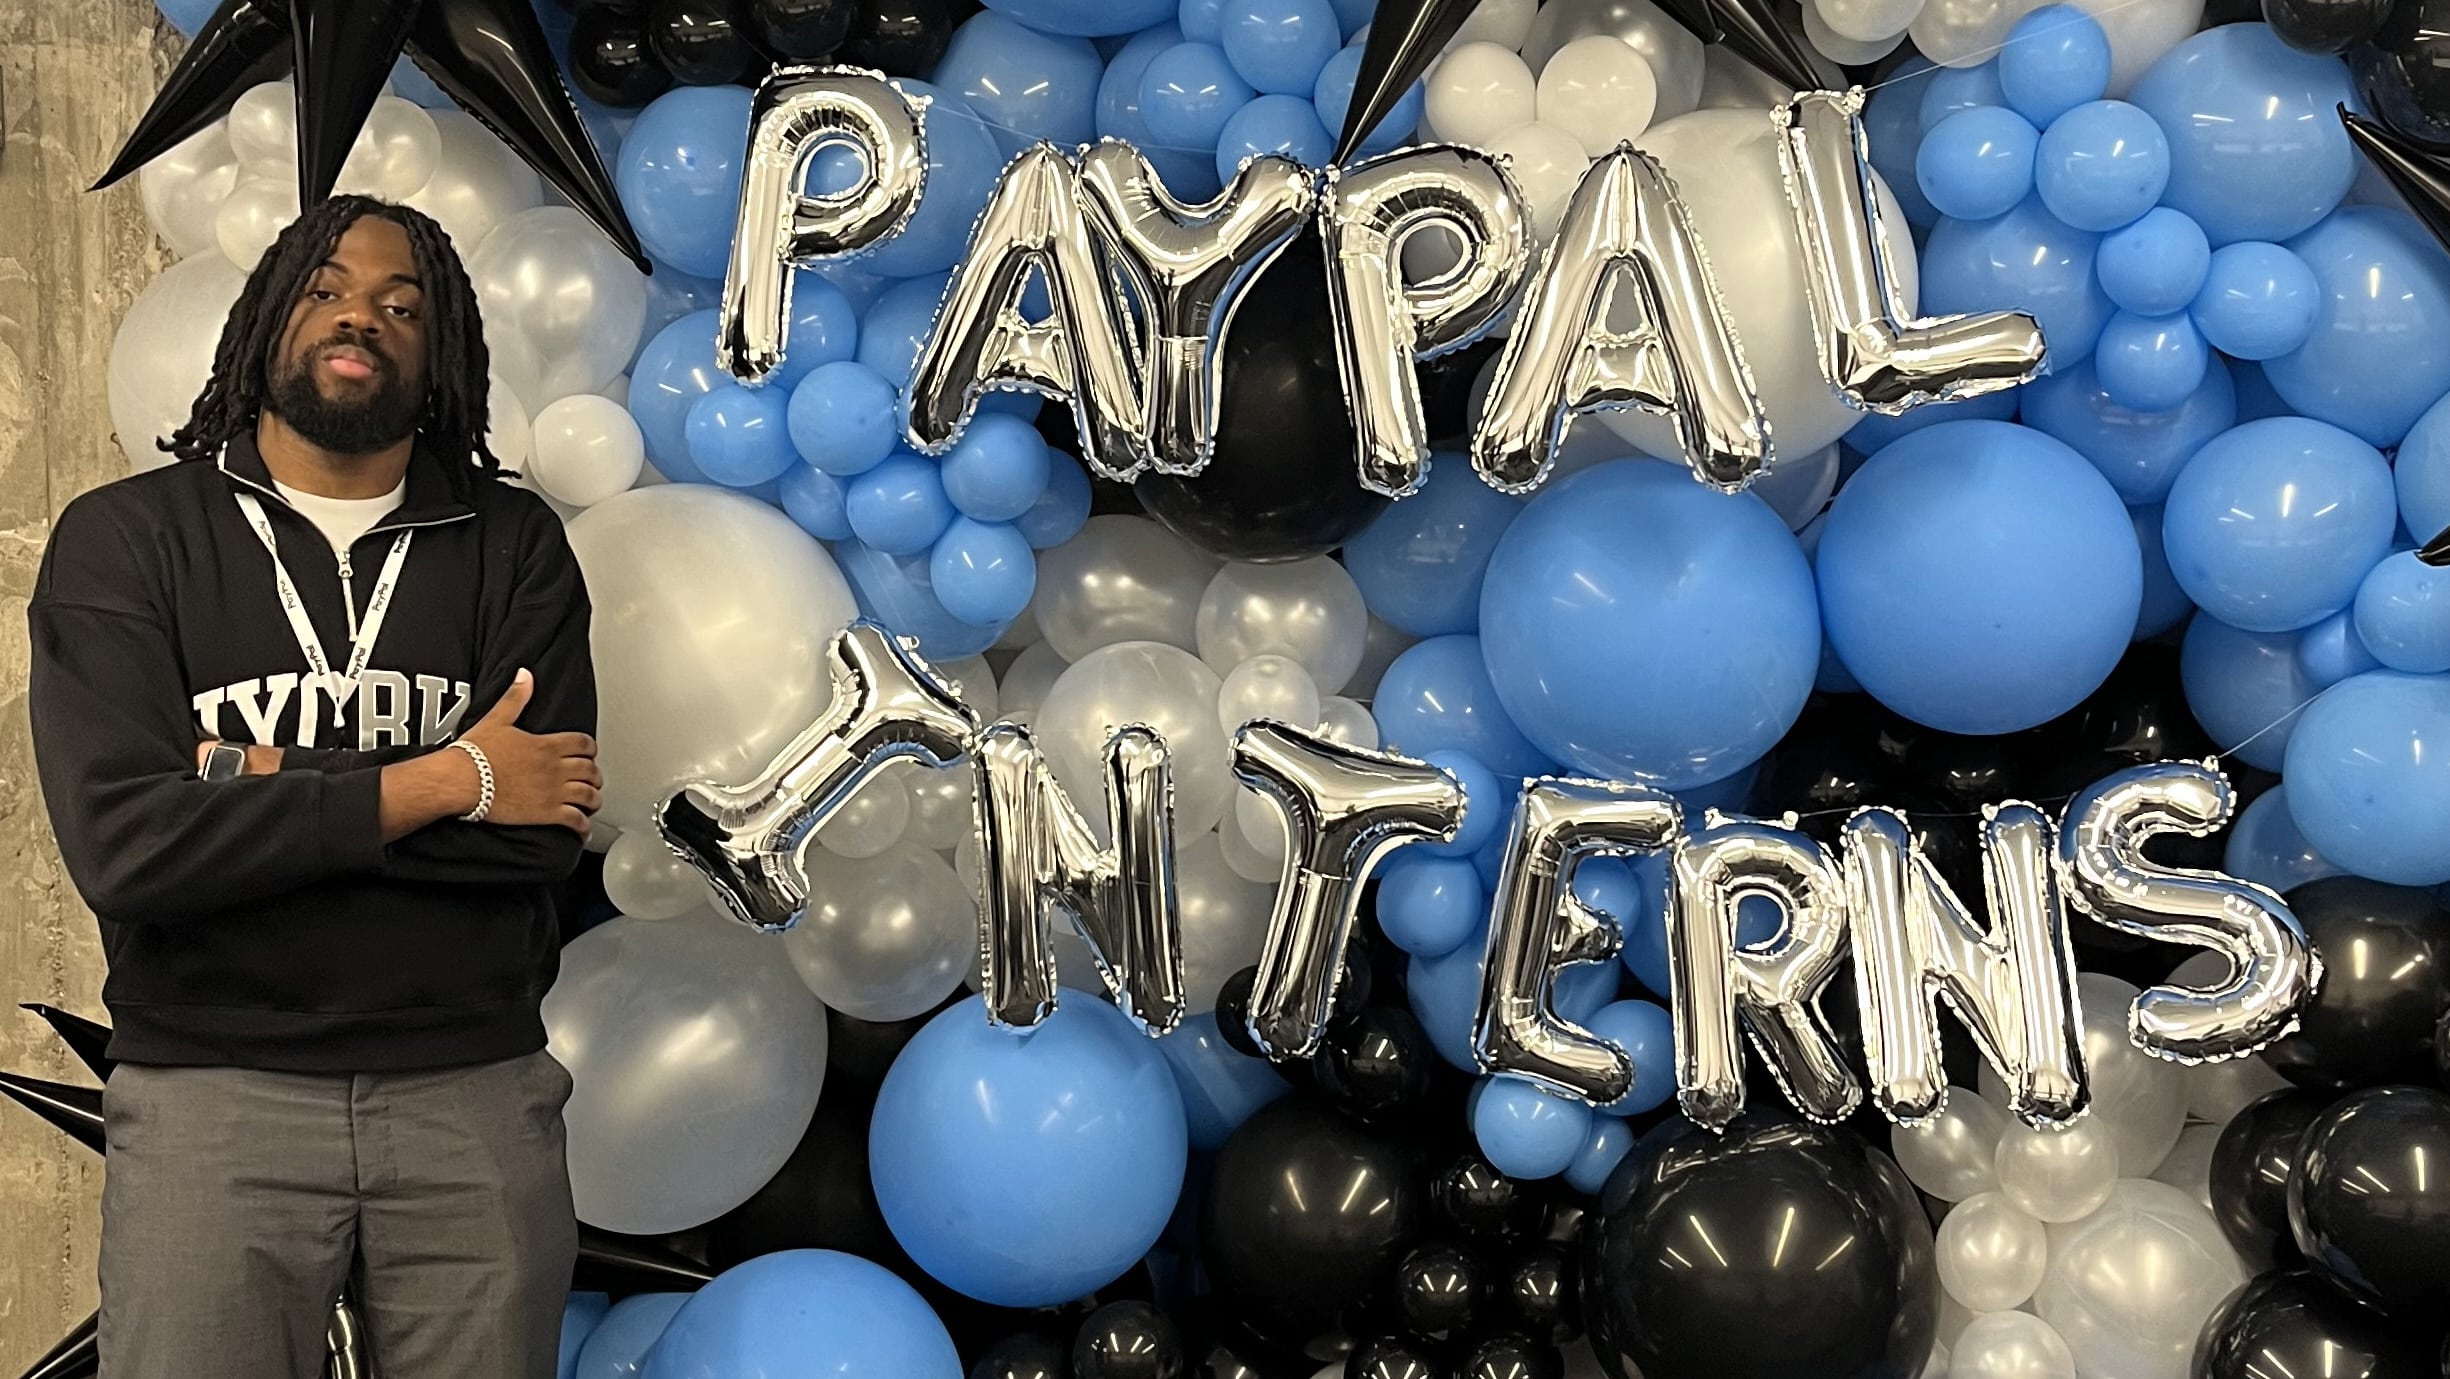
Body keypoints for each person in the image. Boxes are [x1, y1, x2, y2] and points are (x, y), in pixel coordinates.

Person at [28, 195, 602, 1378]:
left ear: (440, 352)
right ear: (262, 319)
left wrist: (258, 780)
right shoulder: (129, 540)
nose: (365, 318)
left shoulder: (513, 543)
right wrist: (449, 778)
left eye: (405, 304)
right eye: (328, 288)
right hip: (212, 1094)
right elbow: (129, 843)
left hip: (470, 1090)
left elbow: (539, 832)